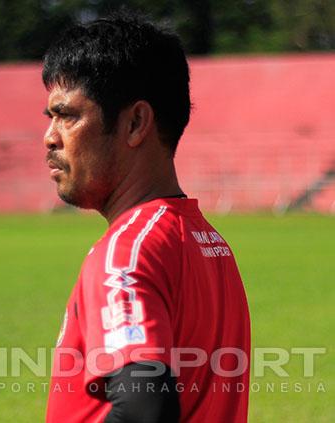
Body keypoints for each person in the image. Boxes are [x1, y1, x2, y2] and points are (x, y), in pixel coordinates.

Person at [41, 13, 250, 422]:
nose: (50, 136)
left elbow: (144, 409)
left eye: (67, 115)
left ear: (136, 122)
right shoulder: (208, 243)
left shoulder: (127, 251)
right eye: (49, 117)